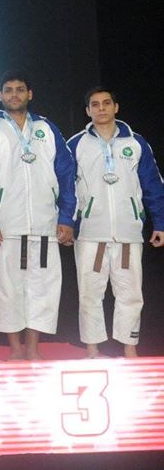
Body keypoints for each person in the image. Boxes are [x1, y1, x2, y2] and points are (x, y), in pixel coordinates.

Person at [0, 71, 76, 360]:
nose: (14, 94)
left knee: (41, 290)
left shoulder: (47, 128)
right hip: (6, 226)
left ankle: (33, 347)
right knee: (7, 290)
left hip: (44, 224)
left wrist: (66, 217)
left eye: (20, 89)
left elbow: (66, 174)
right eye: (8, 90)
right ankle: (16, 348)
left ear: (29, 94)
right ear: (0, 96)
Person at [67, 87, 164, 358]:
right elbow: (64, 188)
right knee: (89, 293)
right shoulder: (76, 145)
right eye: (95, 104)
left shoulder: (136, 143)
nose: (101, 108)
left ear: (116, 107)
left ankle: (130, 347)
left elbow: (153, 185)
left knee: (130, 293)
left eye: (106, 103)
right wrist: (67, 223)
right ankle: (92, 349)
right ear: (87, 111)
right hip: (90, 232)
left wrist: (160, 222)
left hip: (128, 231)